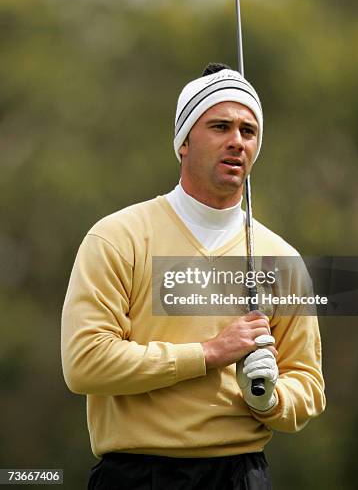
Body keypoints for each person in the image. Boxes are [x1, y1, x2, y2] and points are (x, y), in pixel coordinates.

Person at [61, 63, 326, 490]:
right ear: (183, 142)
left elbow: (308, 384)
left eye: (248, 131)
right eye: (220, 126)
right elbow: (85, 363)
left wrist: (271, 399)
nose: (237, 142)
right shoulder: (118, 237)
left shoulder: (281, 258)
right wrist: (208, 353)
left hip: (241, 475)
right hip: (135, 475)